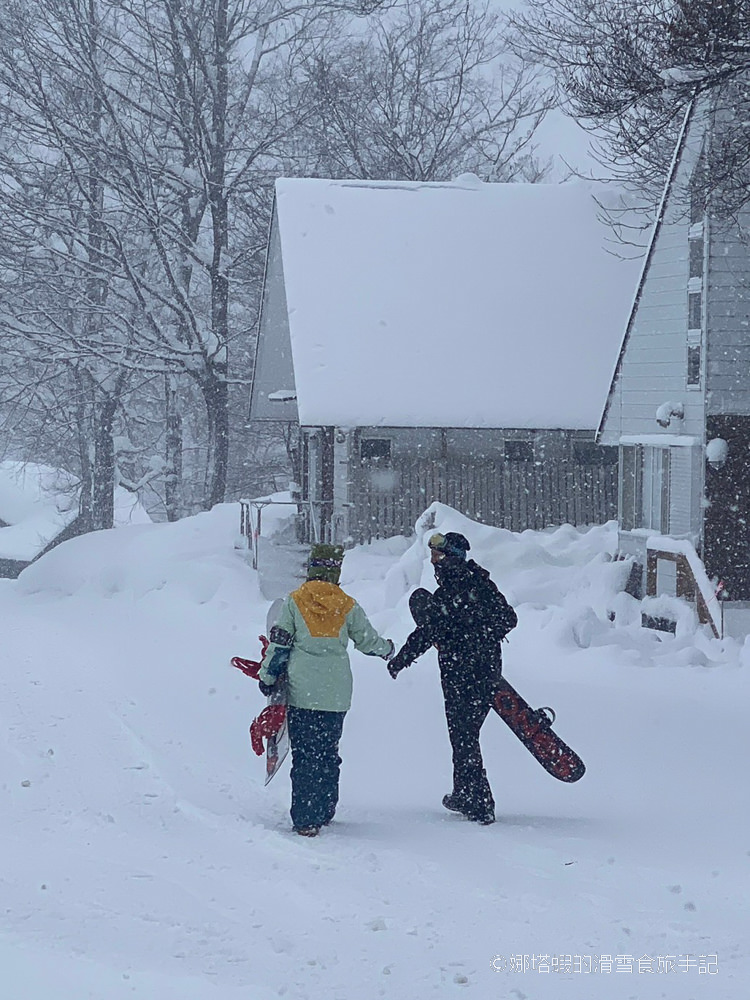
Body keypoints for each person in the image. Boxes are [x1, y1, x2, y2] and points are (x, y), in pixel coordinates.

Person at [258, 543, 394, 837]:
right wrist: (388, 649)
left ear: (311, 568)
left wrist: (267, 676)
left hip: (302, 691)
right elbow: (368, 641)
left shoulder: (294, 602)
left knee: (305, 754)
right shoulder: (347, 604)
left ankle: (306, 818)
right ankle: (325, 807)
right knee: (328, 752)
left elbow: (279, 644)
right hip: (336, 694)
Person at [388, 531, 517, 825]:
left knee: (463, 735)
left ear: (449, 557)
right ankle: (464, 793)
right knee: (465, 734)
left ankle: (481, 802)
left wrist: (402, 660)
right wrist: (481, 635)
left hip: (461, 673)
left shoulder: (449, 593)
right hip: (487, 670)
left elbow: (429, 631)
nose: (433, 561)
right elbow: (506, 619)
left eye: (437, 555)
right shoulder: (480, 582)